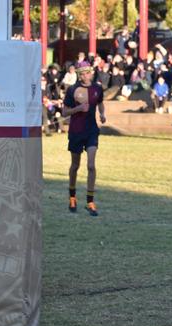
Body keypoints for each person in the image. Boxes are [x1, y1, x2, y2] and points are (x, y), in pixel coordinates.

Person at [62, 62, 106, 216]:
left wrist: (102, 114)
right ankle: (72, 197)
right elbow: (64, 112)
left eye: (88, 73)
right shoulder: (72, 90)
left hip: (91, 131)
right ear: (79, 75)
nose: (86, 75)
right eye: (83, 73)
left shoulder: (97, 88)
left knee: (91, 166)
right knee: (75, 166)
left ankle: (90, 201)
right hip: (76, 131)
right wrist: (78, 109)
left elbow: (100, 103)